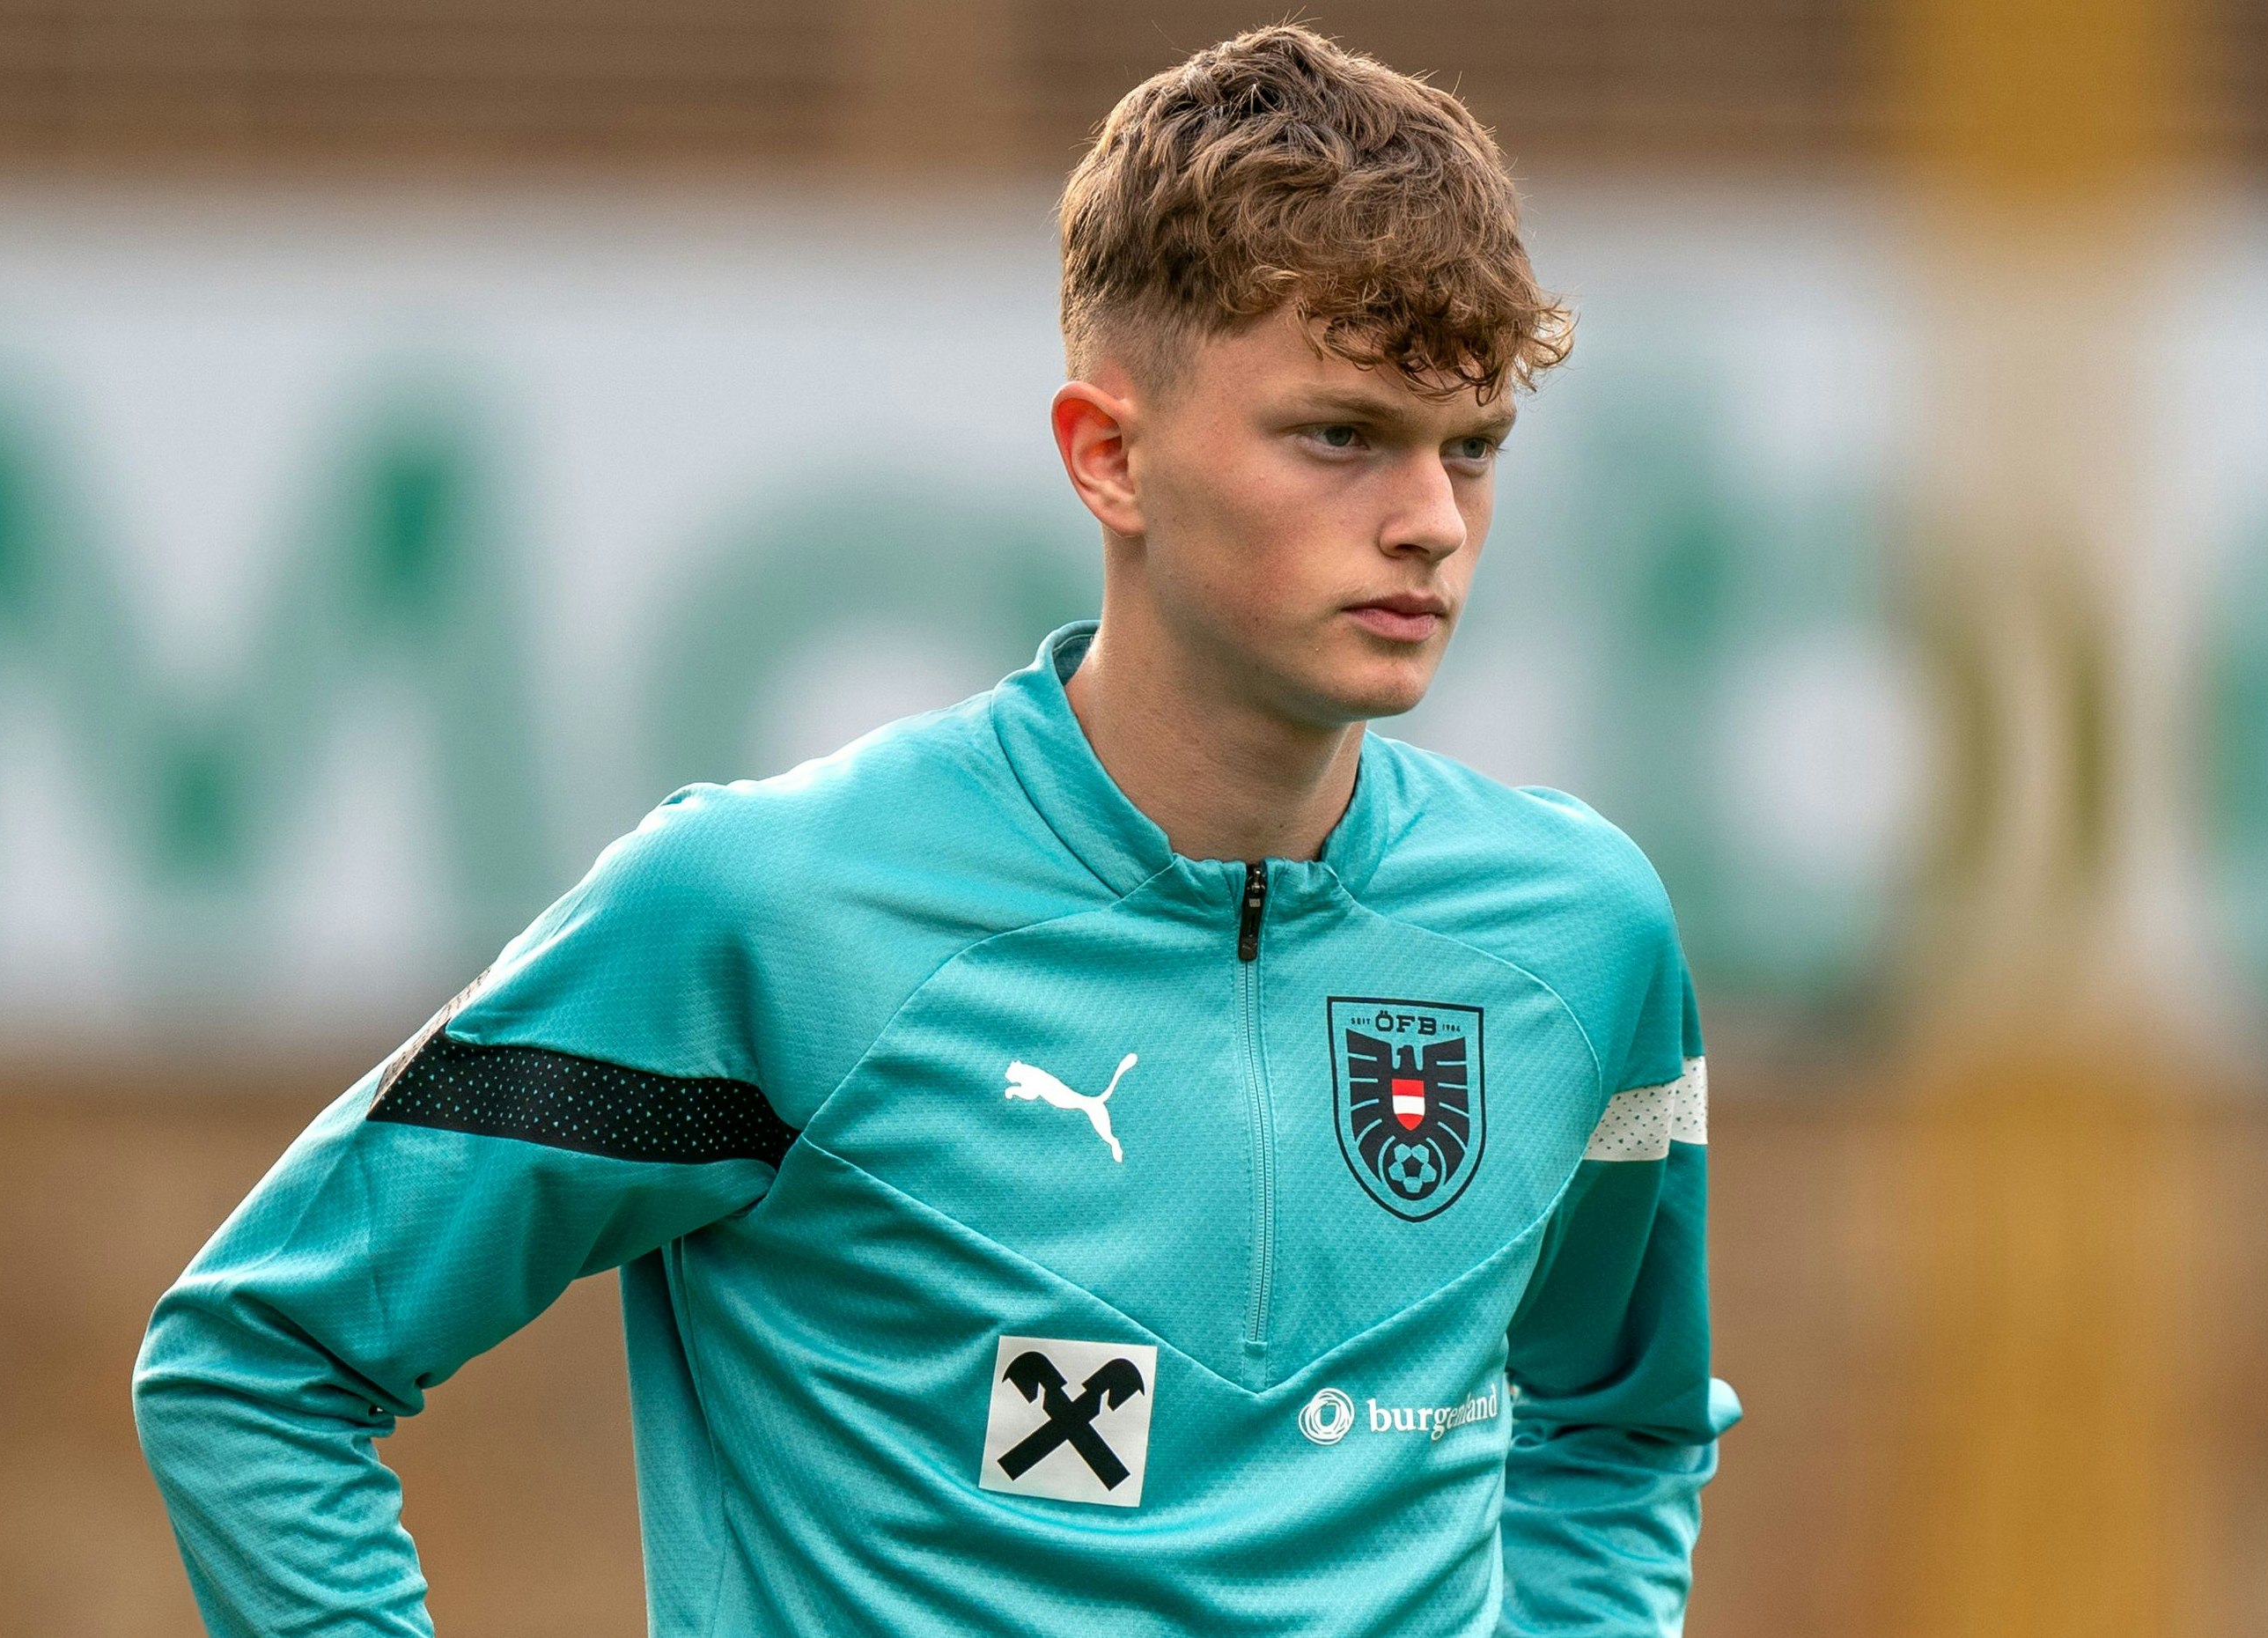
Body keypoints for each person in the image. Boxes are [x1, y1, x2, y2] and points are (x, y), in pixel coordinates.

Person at [135, 25, 1736, 1636]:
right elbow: (257, 1366)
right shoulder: (763, 912)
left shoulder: (1578, 933)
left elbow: (1621, 1426)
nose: (1431, 522)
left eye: (1471, 448)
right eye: (1340, 435)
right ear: (1109, 457)